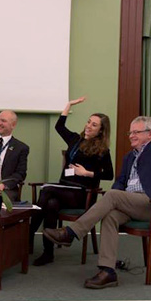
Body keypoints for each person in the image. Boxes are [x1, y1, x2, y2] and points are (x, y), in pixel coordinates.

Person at [43, 77, 151, 289]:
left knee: (112, 195)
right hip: (132, 204)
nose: (130, 136)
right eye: (130, 132)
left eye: (135, 132)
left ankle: (71, 233)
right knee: (110, 215)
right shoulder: (129, 157)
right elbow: (119, 183)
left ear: (150, 134)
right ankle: (108, 271)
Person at [28, 97, 114, 266]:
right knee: (51, 204)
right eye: (88, 122)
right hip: (63, 188)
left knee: (46, 190)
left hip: (81, 194)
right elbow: (59, 126)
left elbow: (109, 175)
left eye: (94, 125)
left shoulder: (103, 150)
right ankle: (48, 252)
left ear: (101, 131)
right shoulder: (75, 140)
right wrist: (68, 106)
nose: (88, 126)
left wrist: (87, 173)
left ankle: (29, 233)